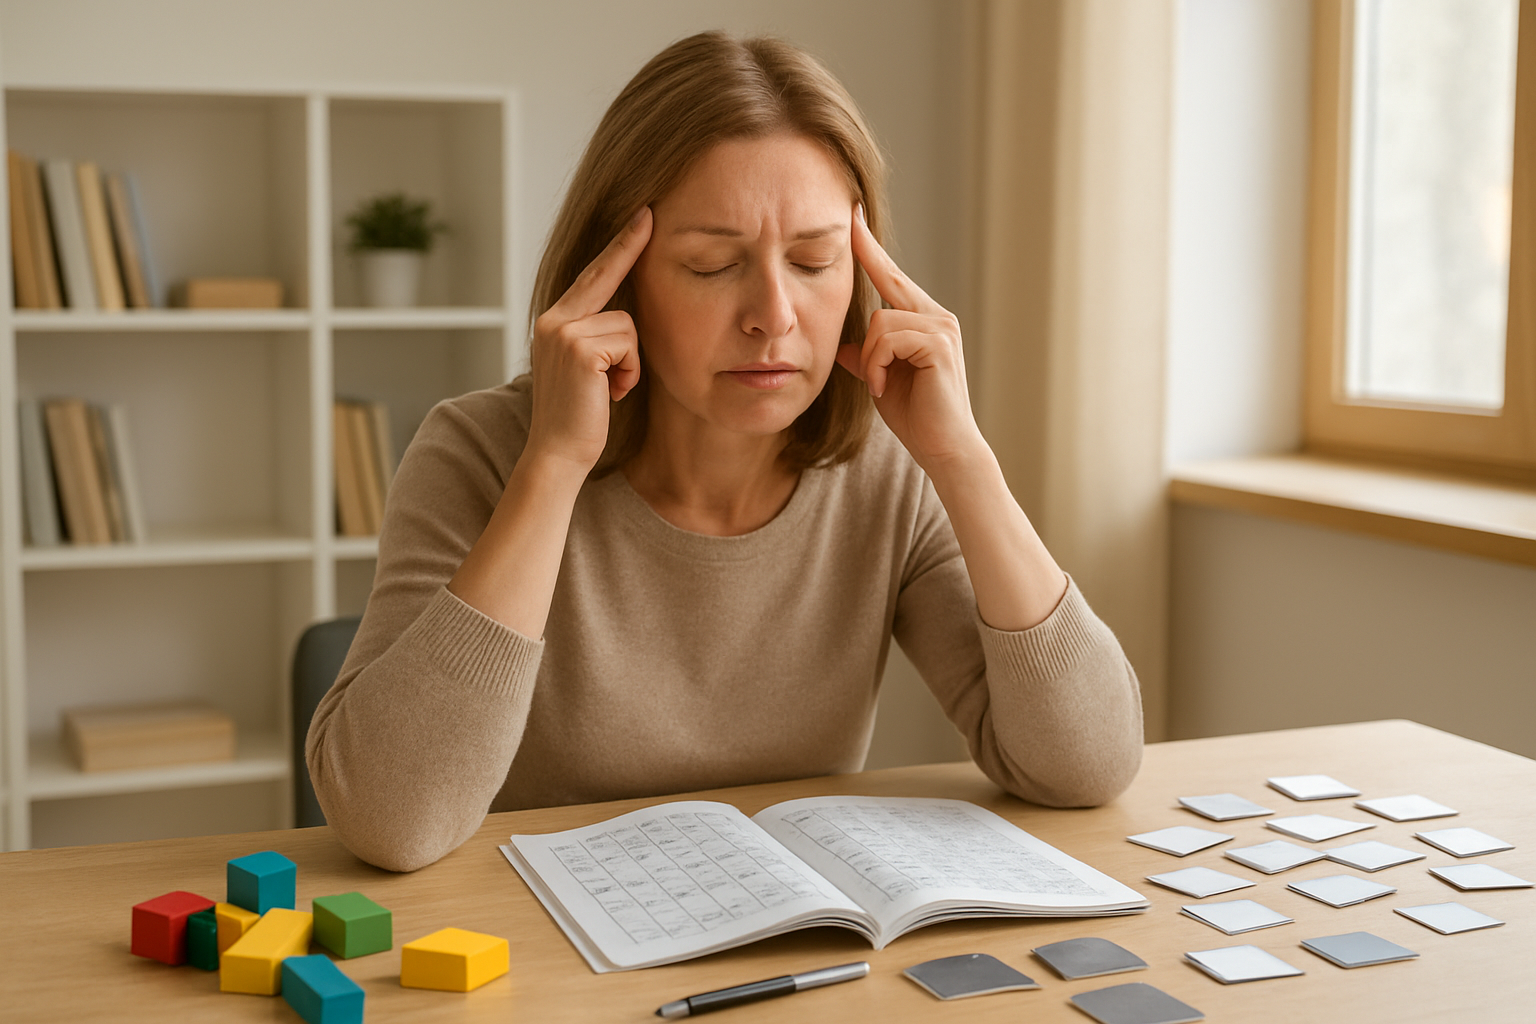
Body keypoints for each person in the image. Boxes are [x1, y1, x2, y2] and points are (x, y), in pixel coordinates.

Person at [307, 30, 1143, 873]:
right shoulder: (479, 452)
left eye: (815, 260)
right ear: (618, 278)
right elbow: (391, 822)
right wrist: (553, 467)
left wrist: (964, 461)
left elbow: (1087, 766)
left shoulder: (885, 473)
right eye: (712, 265)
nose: (774, 314)